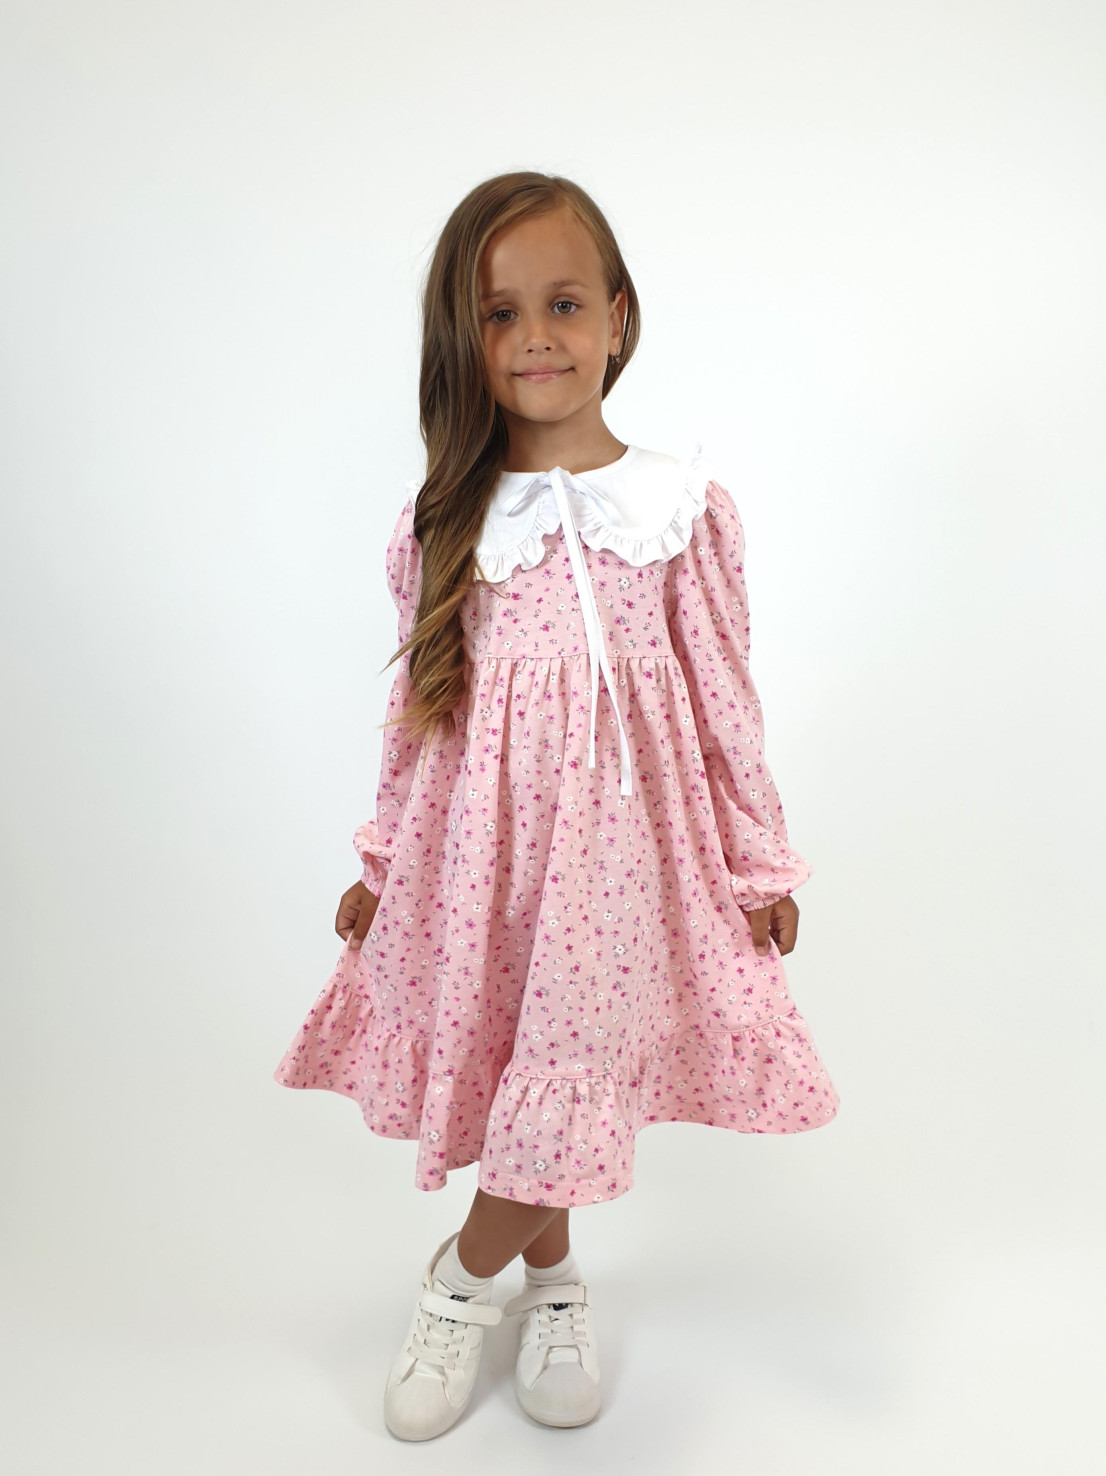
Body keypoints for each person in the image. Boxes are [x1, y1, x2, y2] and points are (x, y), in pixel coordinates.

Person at [273, 170, 840, 1441]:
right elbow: (417, 716)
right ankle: (555, 1280)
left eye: (565, 304)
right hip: (486, 855)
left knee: (573, 1062)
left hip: (629, 866)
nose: (535, 337)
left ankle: (457, 1282)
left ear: (617, 318)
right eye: (500, 313)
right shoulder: (444, 525)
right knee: (527, 1061)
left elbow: (724, 701)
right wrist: (382, 858)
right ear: (463, 339)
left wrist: (758, 863)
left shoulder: (680, 514)